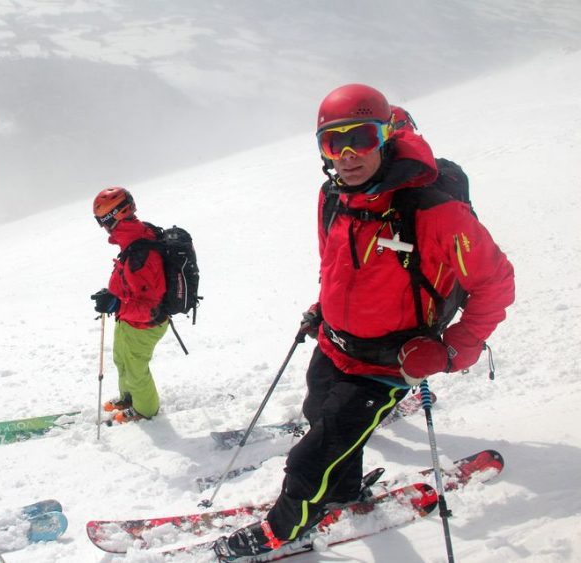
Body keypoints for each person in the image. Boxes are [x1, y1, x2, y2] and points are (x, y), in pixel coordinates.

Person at [217, 85, 515, 559]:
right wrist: (323, 308)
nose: (348, 154)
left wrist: (452, 348)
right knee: (321, 421)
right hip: (334, 345)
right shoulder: (332, 196)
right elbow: (336, 264)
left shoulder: (434, 211)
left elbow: (496, 282)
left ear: (385, 137)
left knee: (310, 458)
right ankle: (343, 492)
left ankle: (284, 529)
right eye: (334, 143)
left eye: (361, 137)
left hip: (387, 362)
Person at [91, 187, 168, 424]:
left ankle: (146, 409)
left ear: (112, 217)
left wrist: (116, 302)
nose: (102, 227)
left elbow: (150, 308)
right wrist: (114, 295)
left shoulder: (141, 251)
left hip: (144, 324)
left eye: (101, 221)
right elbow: (133, 284)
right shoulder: (133, 238)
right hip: (128, 319)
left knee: (136, 368)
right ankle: (129, 397)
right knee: (122, 359)